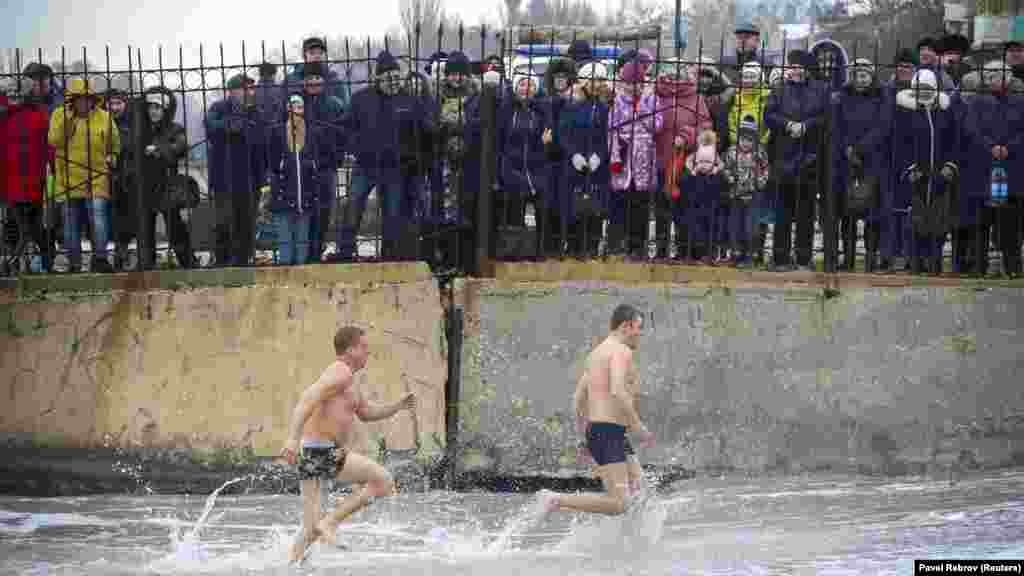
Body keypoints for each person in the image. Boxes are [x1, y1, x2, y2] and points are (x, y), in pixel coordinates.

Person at [279, 325, 417, 563]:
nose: (367, 352)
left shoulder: (349, 380)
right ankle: (331, 522)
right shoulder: (340, 372)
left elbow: (366, 412)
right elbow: (308, 398)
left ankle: (292, 566)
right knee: (382, 481)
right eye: (363, 347)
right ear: (350, 349)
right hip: (319, 451)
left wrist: (398, 406)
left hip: (314, 451)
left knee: (311, 530)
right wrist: (291, 438)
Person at [537, 304, 655, 518]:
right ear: (626, 326)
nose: (641, 333)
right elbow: (618, 390)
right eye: (639, 328)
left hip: (604, 432)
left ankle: (625, 544)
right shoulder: (621, 351)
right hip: (609, 432)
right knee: (620, 503)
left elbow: (578, 400)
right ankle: (556, 500)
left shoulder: (596, 355)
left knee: (641, 491)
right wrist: (639, 426)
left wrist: (585, 438)